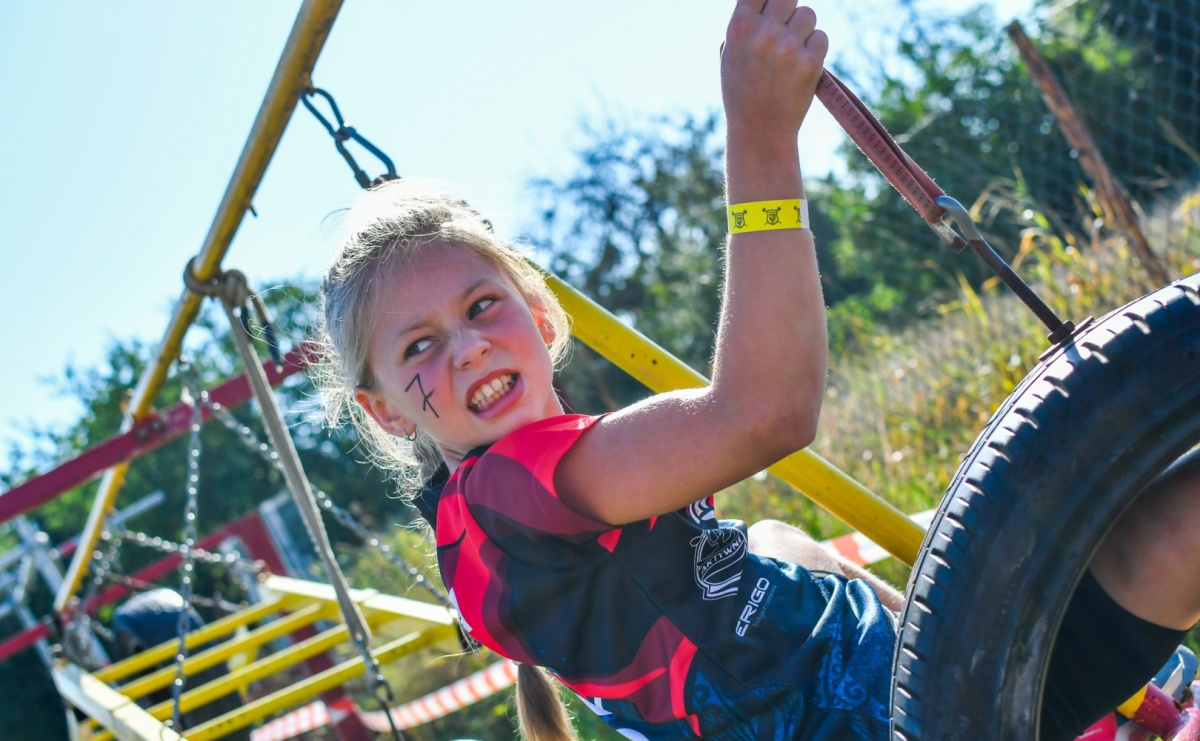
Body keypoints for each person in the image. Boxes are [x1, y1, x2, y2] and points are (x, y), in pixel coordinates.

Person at [315, 2, 1200, 739]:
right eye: (418, 346)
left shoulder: (492, 522)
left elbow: (768, 553)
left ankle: (1105, 699)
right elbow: (767, 412)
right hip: (904, 722)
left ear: (542, 318)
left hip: (896, 684)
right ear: (389, 412)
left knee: (778, 539)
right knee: (1169, 529)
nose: (464, 346)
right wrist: (761, 132)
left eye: (479, 307)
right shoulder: (510, 487)